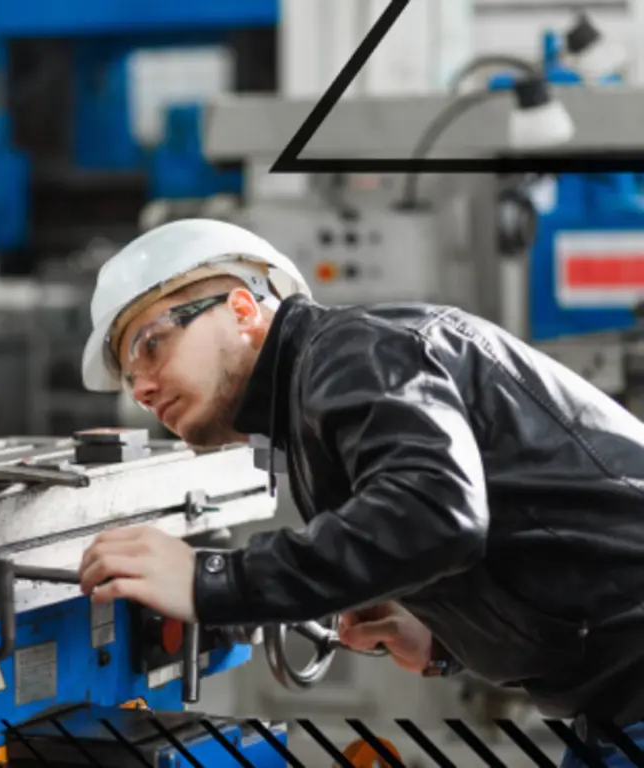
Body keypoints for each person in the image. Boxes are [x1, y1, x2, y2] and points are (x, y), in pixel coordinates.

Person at [74, 218, 644, 766]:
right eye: (127, 376)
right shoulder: (312, 402)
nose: (141, 388)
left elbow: (435, 514)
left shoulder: (350, 353)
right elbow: (491, 526)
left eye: (150, 345)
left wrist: (214, 580)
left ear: (242, 310)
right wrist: (449, 629)